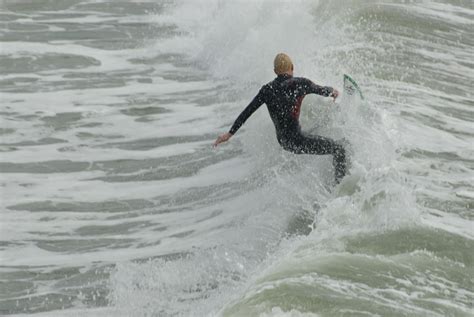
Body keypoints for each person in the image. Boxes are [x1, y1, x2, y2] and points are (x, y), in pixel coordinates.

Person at [214, 53, 346, 183]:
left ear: (275, 71)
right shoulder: (300, 84)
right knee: (339, 149)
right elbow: (322, 90)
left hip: (284, 142)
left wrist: (230, 133)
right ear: (292, 67)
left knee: (318, 129)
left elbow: (247, 112)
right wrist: (334, 91)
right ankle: (340, 187)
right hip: (298, 141)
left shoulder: (267, 90)